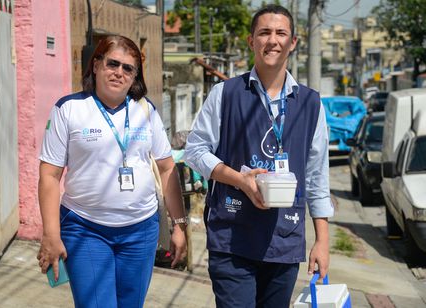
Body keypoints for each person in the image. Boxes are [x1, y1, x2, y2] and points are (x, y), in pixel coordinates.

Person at [184, 4, 334, 308]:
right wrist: (239, 180)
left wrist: (322, 240)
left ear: (293, 43)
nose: (272, 40)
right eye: (264, 32)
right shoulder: (225, 94)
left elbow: (317, 174)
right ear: (251, 41)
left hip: (285, 238)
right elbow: (195, 150)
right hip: (232, 237)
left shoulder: (311, 104)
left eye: (281, 33)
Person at [36, 35, 187, 308]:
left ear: (135, 76)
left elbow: (167, 169)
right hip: (85, 229)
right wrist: (51, 234)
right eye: (112, 63)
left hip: (140, 232)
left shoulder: (146, 111)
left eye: (128, 68)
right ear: (96, 66)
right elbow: (49, 175)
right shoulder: (68, 109)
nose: (119, 72)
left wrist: (180, 225)